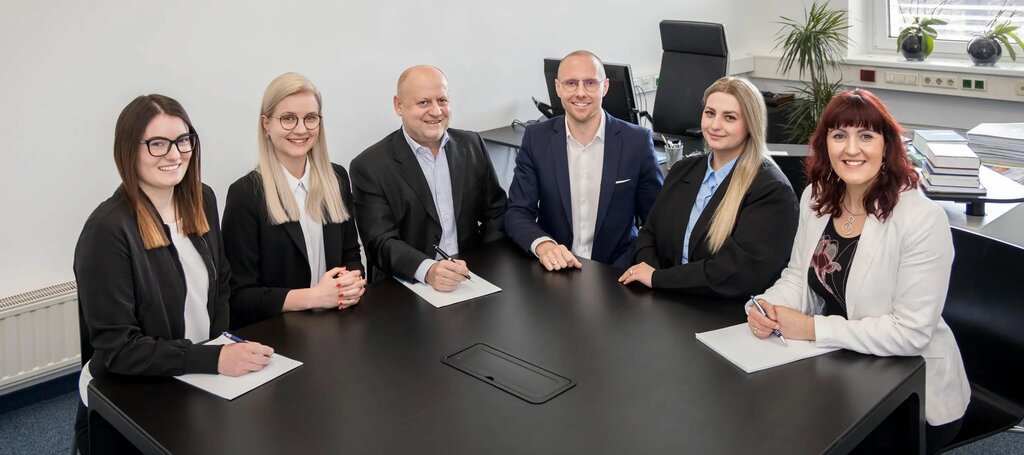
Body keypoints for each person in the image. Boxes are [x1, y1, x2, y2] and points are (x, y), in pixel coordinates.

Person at [746, 89, 969, 453]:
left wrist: (811, 328)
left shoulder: (922, 219)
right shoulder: (817, 197)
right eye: (839, 135)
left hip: (909, 386)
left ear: (887, 146)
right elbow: (798, 276)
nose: (852, 149)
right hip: (841, 365)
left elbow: (910, 333)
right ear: (826, 145)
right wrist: (766, 308)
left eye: (866, 136)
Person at [74, 95, 273, 453]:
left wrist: (219, 348)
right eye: (157, 144)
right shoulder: (107, 230)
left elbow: (221, 285)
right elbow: (118, 349)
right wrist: (211, 359)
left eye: (183, 141)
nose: (174, 154)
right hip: (127, 398)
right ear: (128, 150)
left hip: (196, 379)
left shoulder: (202, 199)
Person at [618, 76, 798, 297]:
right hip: (663, 298)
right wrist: (653, 278)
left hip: (723, 310)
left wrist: (658, 279)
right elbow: (648, 233)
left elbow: (738, 273)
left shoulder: (771, 190)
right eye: (710, 113)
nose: (715, 125)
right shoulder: (683, 169)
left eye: (729, 117)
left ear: (750, 124)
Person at [223, 72, 365, 329]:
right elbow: (240, 296)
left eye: (310, 118)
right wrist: (314, 297)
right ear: (266, 124)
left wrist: (350, 282)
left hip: (339, 323)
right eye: (288, 118)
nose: (301, 129)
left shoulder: (337, 178)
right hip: (279, 333)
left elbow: (351, 255)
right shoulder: (245, 194)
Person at [350, 65, 507, 292]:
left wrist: (487, 259)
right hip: (405, 287)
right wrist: (428, 270)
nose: (435, 111)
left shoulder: (472, 145)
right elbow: (380, 242)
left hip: (472, 279)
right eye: (423, 102)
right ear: (398, 105)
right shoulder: (369, 166)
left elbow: (496, 211)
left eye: (442, 100)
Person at [505, 50, 663, 271]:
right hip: (556, 269)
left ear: (605, 87)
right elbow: (517, 211)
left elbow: (656, 223)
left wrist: (627, 266)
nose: (580, 93)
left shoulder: (636, 141)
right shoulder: (536, 138)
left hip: (617, 271)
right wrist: (543, 245)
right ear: (558, 87)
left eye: (590, 83)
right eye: (571, 83)